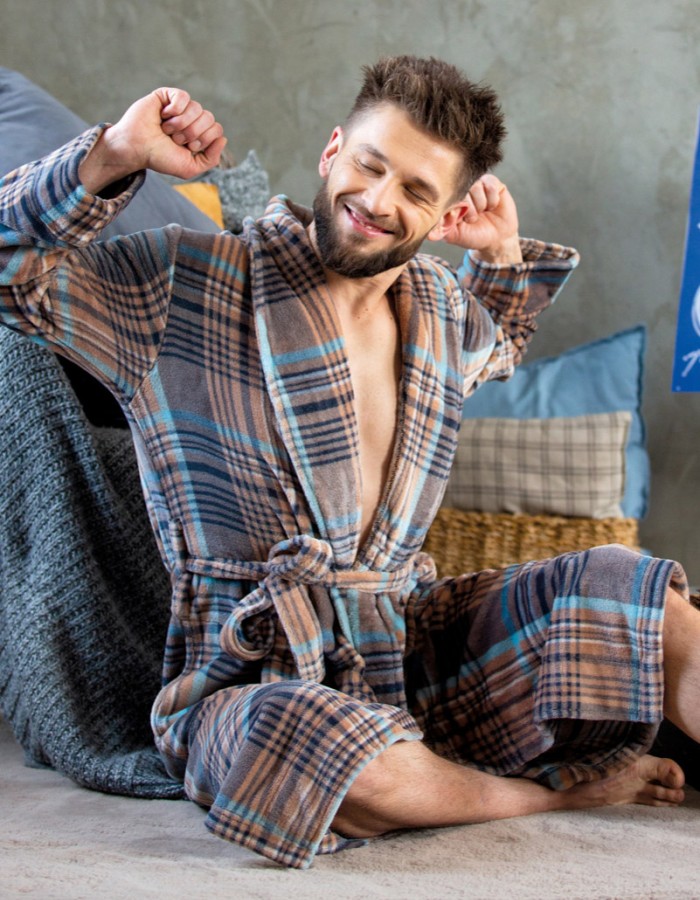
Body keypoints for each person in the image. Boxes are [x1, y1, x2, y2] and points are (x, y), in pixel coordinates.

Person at [0, 55, 697, 869]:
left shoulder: (441, 309)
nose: (377, 201)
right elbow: (12, 271)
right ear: (333, 150)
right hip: (252, 680)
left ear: (444, 214)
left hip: (407, 647)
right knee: (305, 742)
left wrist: (500, 257)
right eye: (370, 165)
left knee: (639, 596)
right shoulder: (185, 280)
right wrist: (116, 153)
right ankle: (551, 794)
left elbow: (498, 344)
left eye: (415, 191)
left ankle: (435, 774)